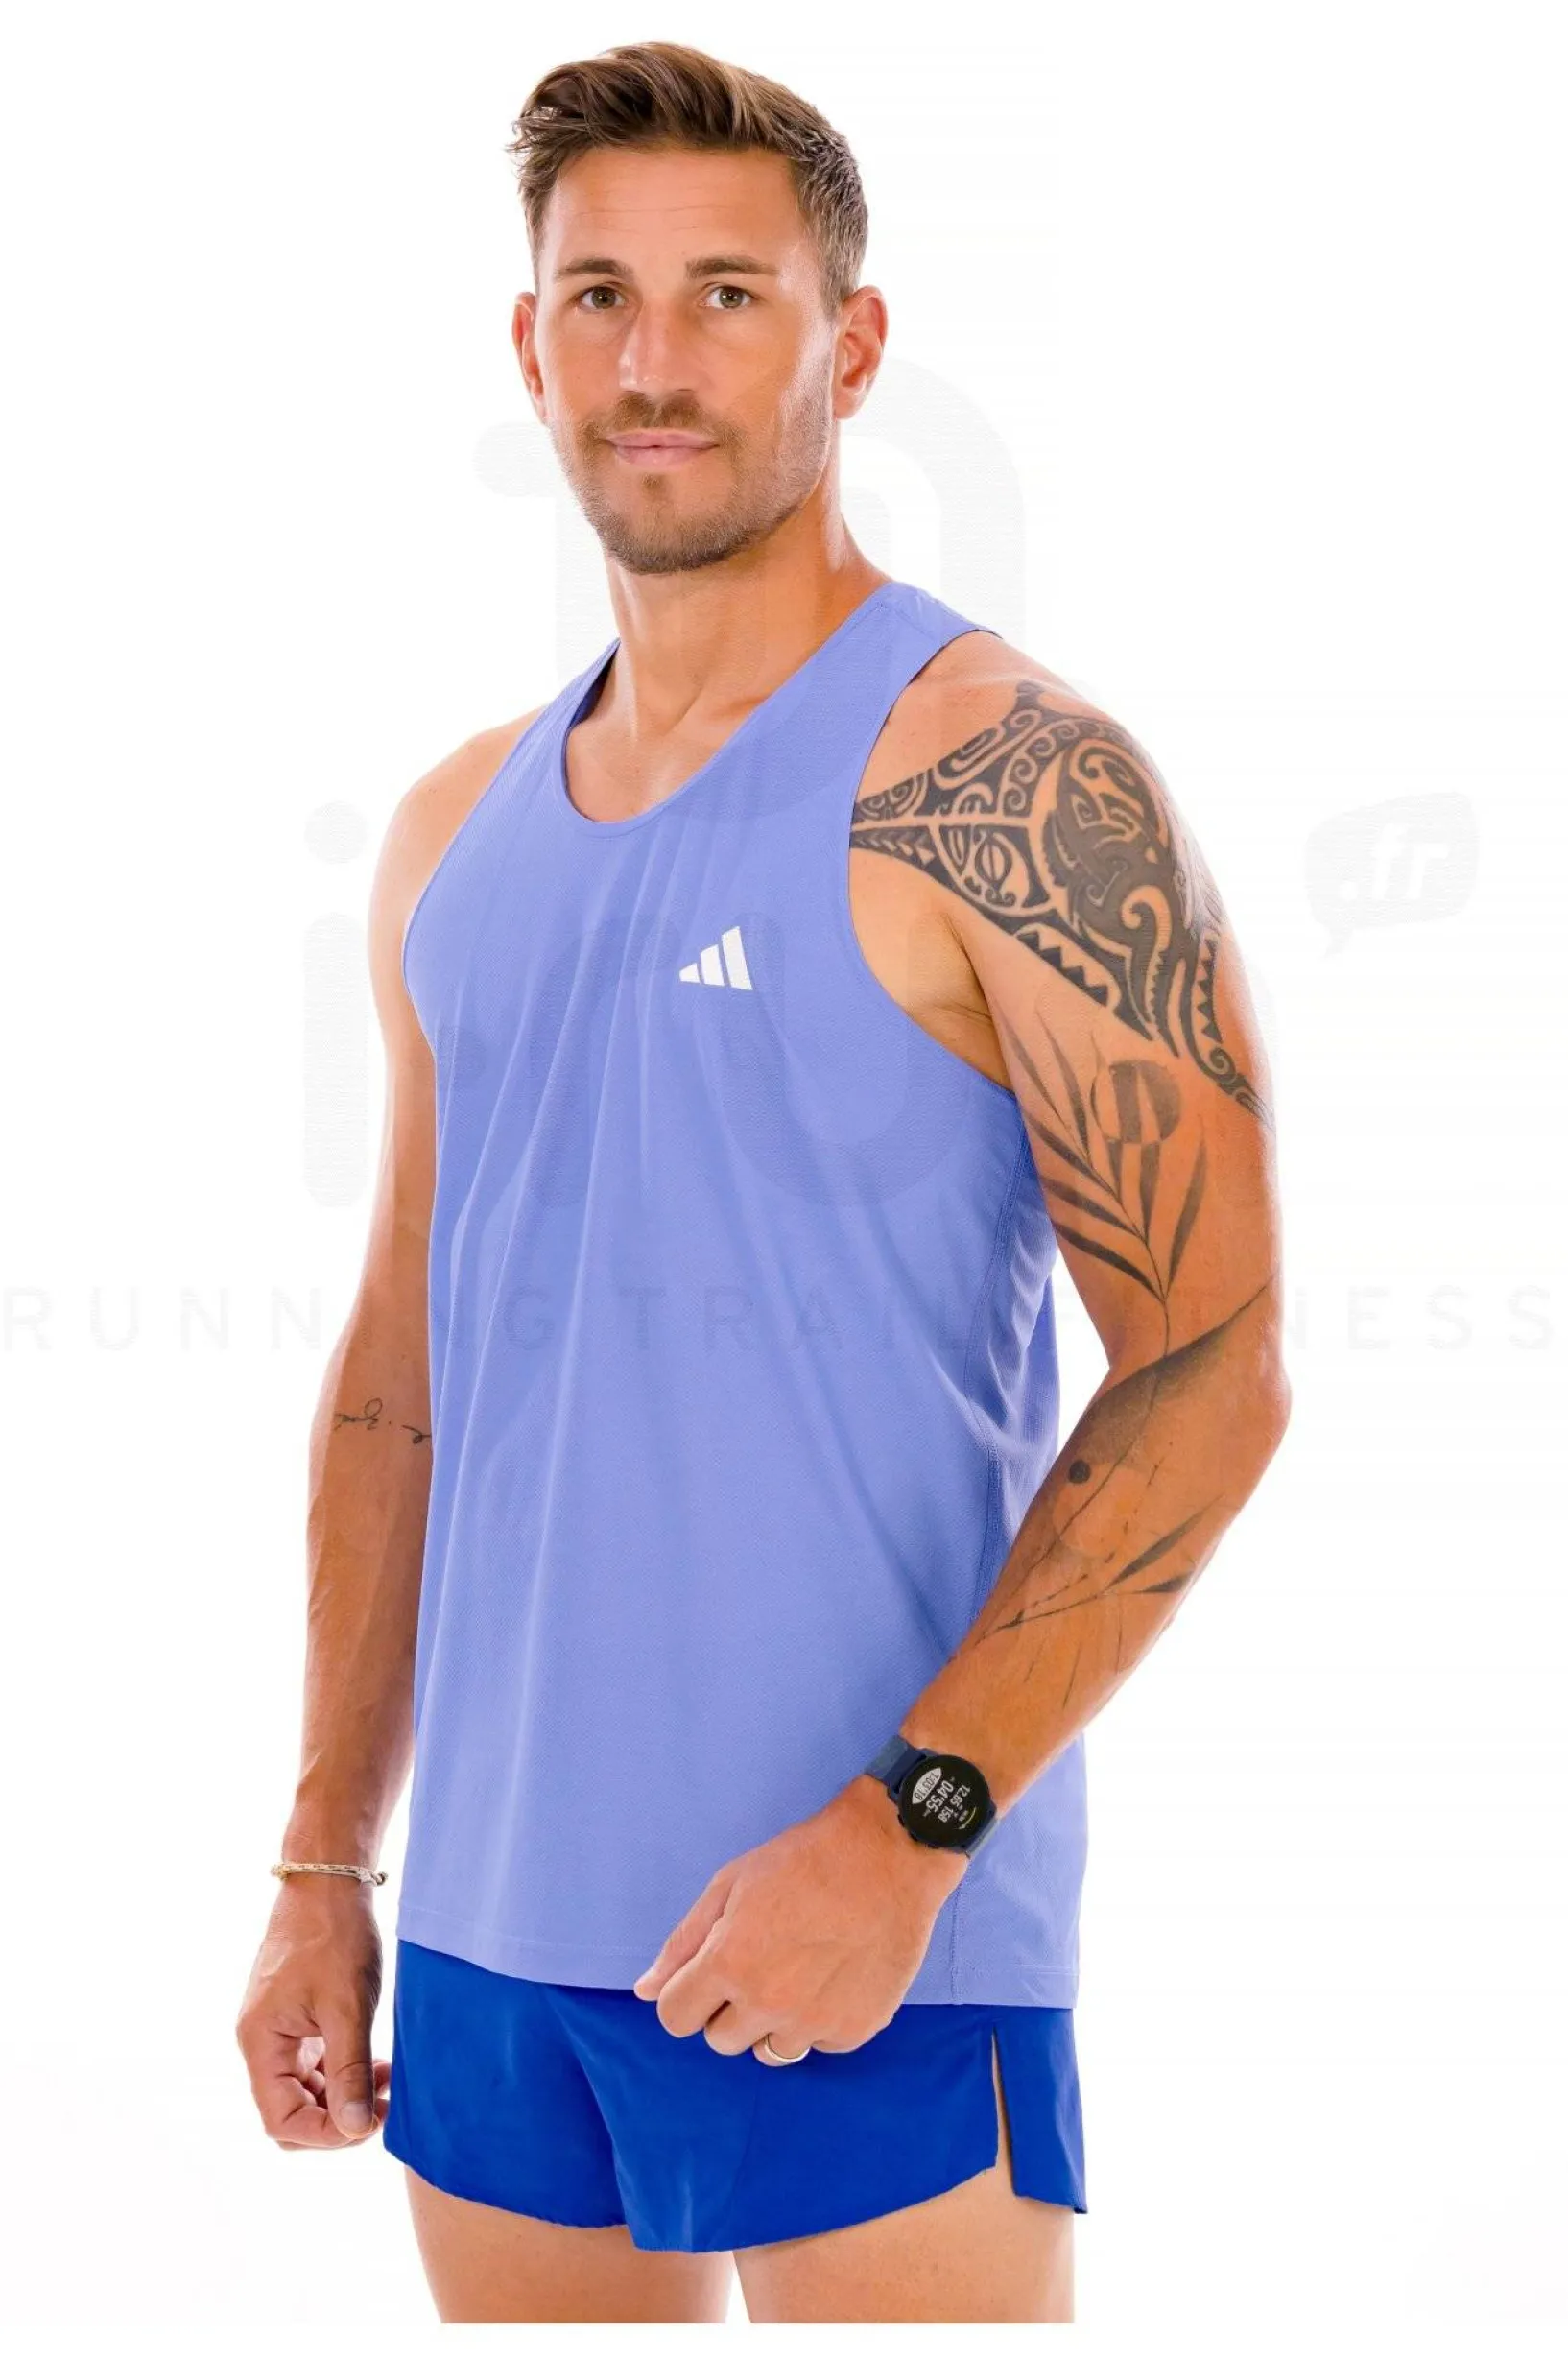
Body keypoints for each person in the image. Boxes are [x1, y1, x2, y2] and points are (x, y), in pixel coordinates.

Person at [235, 38, 1288, 2325]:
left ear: (853, 341)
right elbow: (401, 1375)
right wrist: (326, 1856)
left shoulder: (1009, 786)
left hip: (873, 1923)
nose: (655, 362)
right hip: (494, 1925)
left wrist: (909, 1826)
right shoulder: (453, 829)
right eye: (598, 296)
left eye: (728, 294)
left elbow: (1213, 1359)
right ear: (531, 344)